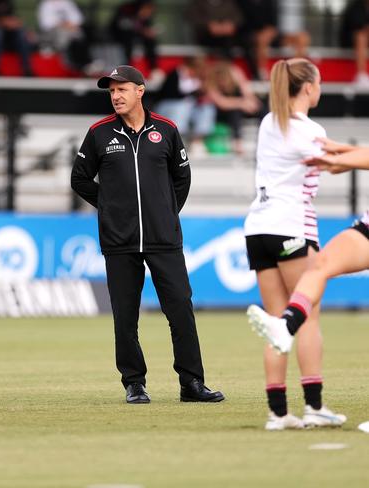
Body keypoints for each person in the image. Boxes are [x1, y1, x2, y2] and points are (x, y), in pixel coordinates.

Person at [70, 65, 224, 404]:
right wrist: (110, 208)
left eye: (122, 89)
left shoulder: (167, 130)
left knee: (181, 308)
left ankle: (192, 383)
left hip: (163, 239)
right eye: (111, 91)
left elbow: (182, 178)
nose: (116, 96)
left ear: (140, 90)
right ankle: (134, 383)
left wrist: (166, 213)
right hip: (119, 241)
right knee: (125, 316)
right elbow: (79, 180)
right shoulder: (98, 133)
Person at [244, 58, 346, 430]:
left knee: (277, 322)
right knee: (306, 317)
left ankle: (277, 413)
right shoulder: (307, 128)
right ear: (308, 88)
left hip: (257, 227)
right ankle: (315, 407)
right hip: (292, 225)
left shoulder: (270, 122)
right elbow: (336, 157)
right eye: (318, 82)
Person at [247, 140, 369, 433]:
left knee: (317, 271)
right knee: (321, 266)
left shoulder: (277, 126)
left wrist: (339, 156)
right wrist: (339, 154)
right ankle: (286, 326)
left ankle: (286, 411)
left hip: (263, 226)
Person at [154, 56, 215, 157]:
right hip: (169, 106)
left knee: (207, 108)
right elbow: (169, 94)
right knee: (182, 106)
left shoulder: (199, 78)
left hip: (190, 109)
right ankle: (177, 141)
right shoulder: (174, 74)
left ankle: (198, 141)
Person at [205, 60, 261, 155]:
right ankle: (237, 142)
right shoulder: (211, 84)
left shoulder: (235, 81)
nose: (222, 83)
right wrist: (241, 103)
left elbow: (249, 95)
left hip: (240, 108)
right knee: (234, 112)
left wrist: (251, 103)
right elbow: (222, 103)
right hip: (221, 114)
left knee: (262, 109)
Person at [37, 0, 94, 73]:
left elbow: (78, 19)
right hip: (53, 32)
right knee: (63, 35)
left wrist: (71, 25)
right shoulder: (46, 4)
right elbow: (46, 23)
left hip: (70, 30)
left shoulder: (67, 2)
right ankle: (67, 62)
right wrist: (64, 25)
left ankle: (85, 64)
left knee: (79, 34)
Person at [109, 0, 158, 70]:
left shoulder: (146, 17)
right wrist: (142, 30)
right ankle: (125, 67)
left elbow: (146, 28)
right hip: (119, 35)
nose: (149, 14)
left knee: (150, 40)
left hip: (135, 35)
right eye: (148, 11)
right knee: (128, 39)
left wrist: (148, 31)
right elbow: (122, 26)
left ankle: (154, 68)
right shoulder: (126, 9)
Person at [340, 0, 369, 85]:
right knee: (361, 37)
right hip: (350, 43)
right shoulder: (355, 8)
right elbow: (360, 29)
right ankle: (361, 75)